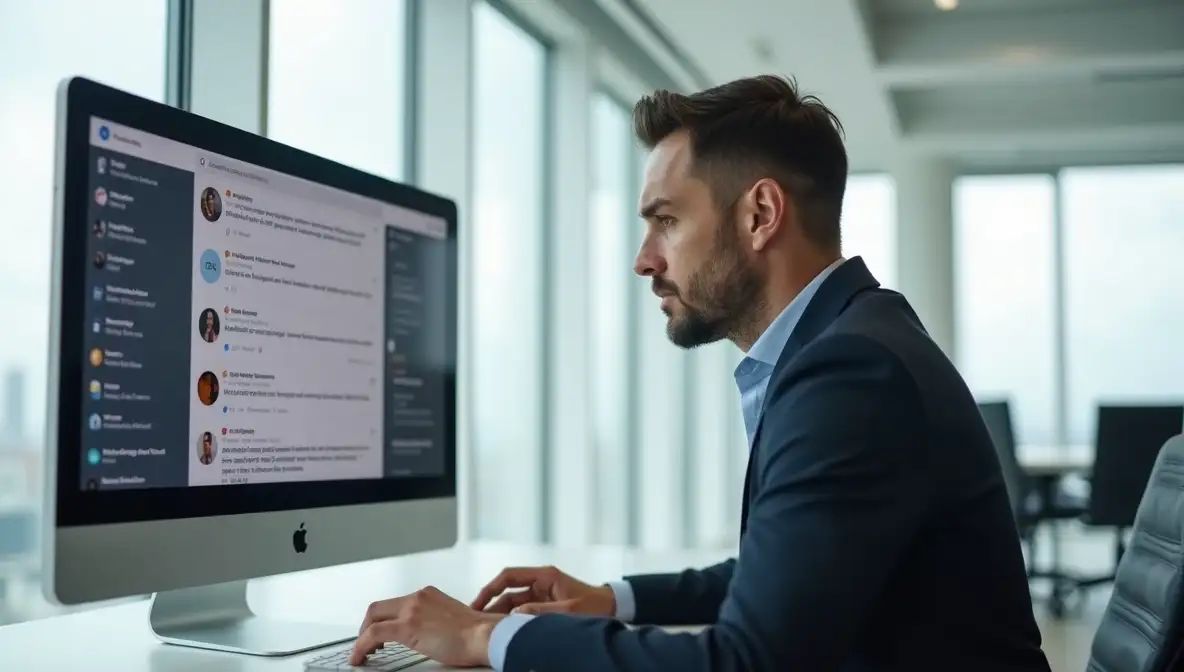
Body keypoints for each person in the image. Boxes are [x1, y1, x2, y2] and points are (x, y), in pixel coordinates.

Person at [350, 75, 1051, 671]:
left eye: (666, 221)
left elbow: (746, 659)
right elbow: (792, 574)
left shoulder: (849, 373)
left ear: (760, 215)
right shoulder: (859, 336)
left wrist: (485, 635)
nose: (644, 259)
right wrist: (614, 598)